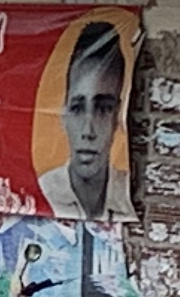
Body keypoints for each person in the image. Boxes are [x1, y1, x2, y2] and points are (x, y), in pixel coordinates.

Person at [34, 19, 135, 223]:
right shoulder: (43, 191)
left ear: (118, 116)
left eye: (103, 109)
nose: (88, 131)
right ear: (63, 116)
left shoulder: (128, 191)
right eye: (78, 108)